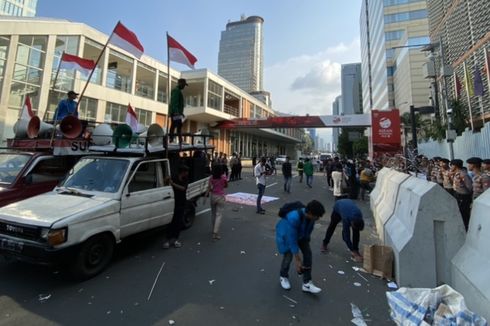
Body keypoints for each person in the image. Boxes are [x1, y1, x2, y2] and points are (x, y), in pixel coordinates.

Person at [276, 200, 326, 293]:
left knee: (308, 254)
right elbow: (292, 240)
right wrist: (298, 260)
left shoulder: (312, 218)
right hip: (286, 235)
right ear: (310, 213)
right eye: (317, 216)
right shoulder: (293, 217)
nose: (318, 218)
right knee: (288, 256)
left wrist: (306, 243)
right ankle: (283, 276)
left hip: (301, 235)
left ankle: (307, 283)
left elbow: (308, 230)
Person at [163, 165, 189, 249]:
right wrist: (167, 180)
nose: (187, 173)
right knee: (171, 221)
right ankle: (167, 239)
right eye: (186, 172)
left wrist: (173, 184)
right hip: (173, 201)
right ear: (183, 172)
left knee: (178, 221)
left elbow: (183, 188)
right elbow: (165, 181)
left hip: (181, 202)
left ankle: (175, 239)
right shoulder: (174, 177)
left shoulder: (185, 179)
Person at [451, 159, 472, 231]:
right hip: (458, 194)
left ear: (455, 166)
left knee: (464, 213)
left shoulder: (463, 175)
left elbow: (469, 188)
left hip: (463, 197)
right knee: (459, 211)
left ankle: (466, 228)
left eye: (452, 165)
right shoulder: (457, 173)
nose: (451, 167)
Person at [208, 164, 228, 240]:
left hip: (213, 196)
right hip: (220, 196)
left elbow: (209, 188)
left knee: (213, 214)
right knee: (219, 215)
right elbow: (226, 186)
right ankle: (215, 233)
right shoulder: (223, 177)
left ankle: (213, 229)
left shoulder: (211, 177)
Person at [169, 78, 188, 145]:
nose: (184, 86)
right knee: (177, 126)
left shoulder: (178, 91)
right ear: (180, 83)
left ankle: (174, 140)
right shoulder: (176, 91)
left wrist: (181, 113)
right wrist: (176, 112)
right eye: (183, 85)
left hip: (177, 112)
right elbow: (174, 102)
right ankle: (177, 140)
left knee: (175, 125)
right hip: (175, 113)